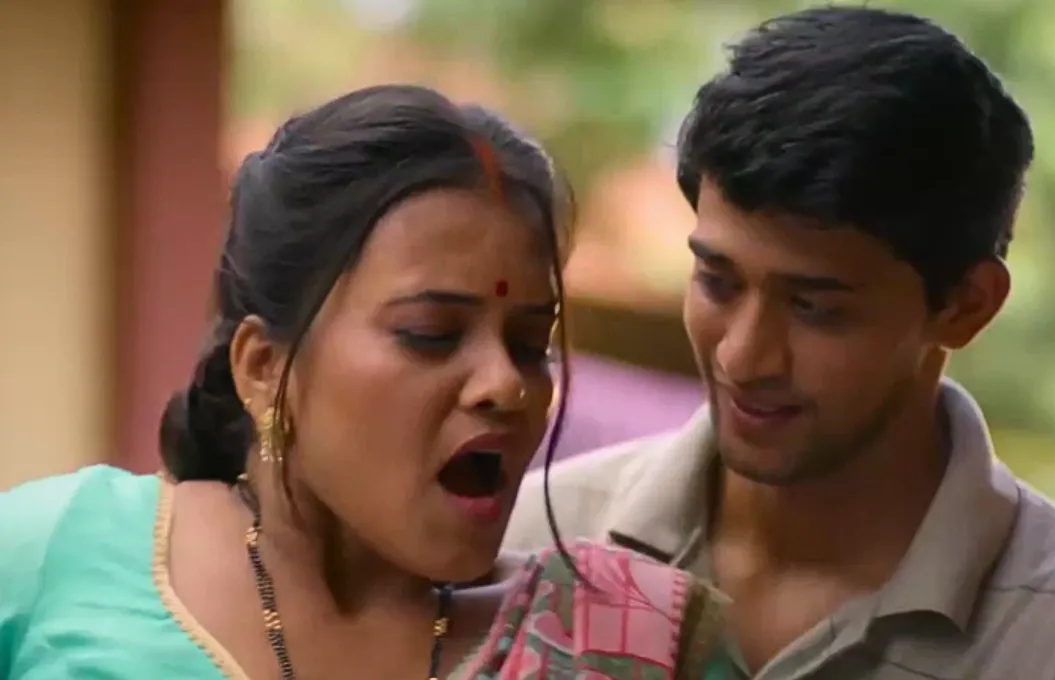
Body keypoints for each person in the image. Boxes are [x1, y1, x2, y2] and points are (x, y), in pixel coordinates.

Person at [503, 7, 1055, 680]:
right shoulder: (527, 544)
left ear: (965, 306)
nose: (743, 357)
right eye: (717, 281)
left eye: (815, 309)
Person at [0, 84, 735, 679]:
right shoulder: (50, 558)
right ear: (264, 368)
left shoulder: (625, 643)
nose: (506, 385)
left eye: (528, 344)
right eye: (431, 333)